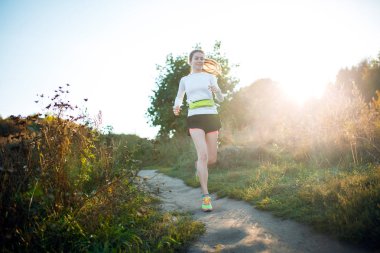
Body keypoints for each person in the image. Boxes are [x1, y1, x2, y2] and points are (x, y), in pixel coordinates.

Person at [173, 49, 224, 212]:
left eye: (202, 58)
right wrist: (177, 105)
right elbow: (180, 96)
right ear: (190, 61)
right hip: (194, 117)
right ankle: (206, 197)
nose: (200, 61)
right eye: (197, 58)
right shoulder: (185, 80)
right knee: (202, 156)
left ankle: (198, 166)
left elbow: (220, 98)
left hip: (211, 116)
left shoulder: (210, 77)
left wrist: (217, 92)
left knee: (211, 159)